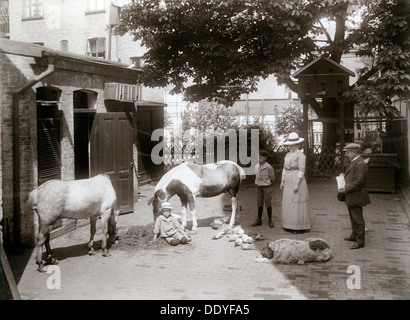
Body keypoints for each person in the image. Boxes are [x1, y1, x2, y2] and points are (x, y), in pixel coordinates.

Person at [338, 143, 371, 249]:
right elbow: (354, 177)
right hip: (353, 195)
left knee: (357, 218)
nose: (346, 154)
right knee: (353, 217)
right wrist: (344, 176)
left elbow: (359, 182)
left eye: (347, 152)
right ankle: (354, 236)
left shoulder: (360, 164)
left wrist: (346, 188)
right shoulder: (356, 162)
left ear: (354, 152)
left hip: (356, 194)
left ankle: (360, 241)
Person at [280, 132, 311, 233]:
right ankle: (288, 224)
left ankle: (298, 226)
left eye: (291, 144)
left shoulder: (301, 155)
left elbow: (302, 170)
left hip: (297, 178)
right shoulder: (288, 155)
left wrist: (297, 183)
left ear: (296, 145)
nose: (289, 146)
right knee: (288, 202)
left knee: (296, 203)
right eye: (288, 144)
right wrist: (282, 181)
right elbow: (284, 168)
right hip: (288, 179)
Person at [252, 149, 275, 228]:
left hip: (266, 187)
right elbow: (256, 176)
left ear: (265, 158)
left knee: (268, 203)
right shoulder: (256, 166)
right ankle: (259, 220)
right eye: (259, 157)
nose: (259, 158)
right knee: (259, 203)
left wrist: (268, 184)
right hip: (258, 187)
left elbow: (273, 178)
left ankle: (270, 220)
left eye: (261, 157)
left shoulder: (269, 167)